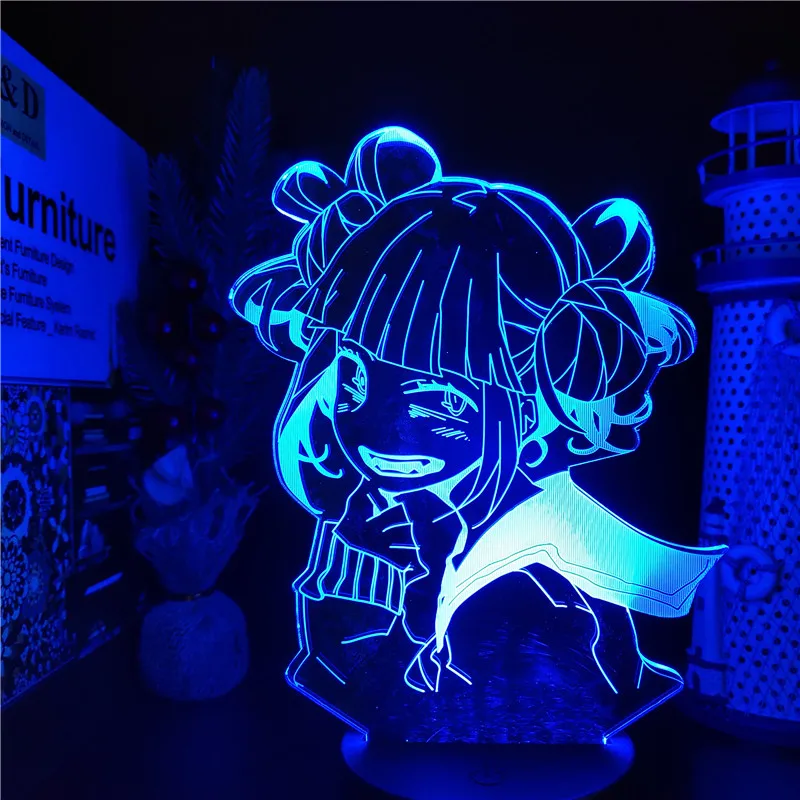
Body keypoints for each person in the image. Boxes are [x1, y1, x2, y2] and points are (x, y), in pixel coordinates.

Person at [230, 127, 726, 742]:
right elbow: (343, 655)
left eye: (442, 401)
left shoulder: (547, 513)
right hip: (385, 693)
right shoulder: (357, 515)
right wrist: (402, 588)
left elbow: (606, 607)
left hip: (513, 703)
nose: (378, 432)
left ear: (527, 406)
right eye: (354, 379)